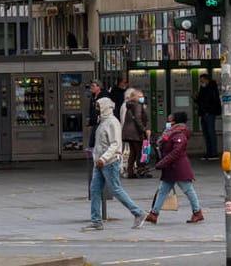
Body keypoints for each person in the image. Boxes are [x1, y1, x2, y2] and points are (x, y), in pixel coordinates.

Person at [83, 96, 146, 231]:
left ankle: (138, 212)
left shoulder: (112, 123)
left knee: (116, 189)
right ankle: (96, 221)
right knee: (94, 190)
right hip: (100, 162)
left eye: (99, 107)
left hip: (109, 162)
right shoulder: (102, 122)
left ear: (105, 107)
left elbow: (115, 144)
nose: (97, 110)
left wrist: (103, 159)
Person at [144, 111, 204, 224]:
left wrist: (162, 163)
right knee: (163, 190)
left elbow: (176, 152)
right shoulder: (170, 133)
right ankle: (154, 214)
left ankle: (197, 212)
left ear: (175, 122)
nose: (167, 122)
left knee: (188, 190)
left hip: (178, 168)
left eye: (169, 120)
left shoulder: (179, 135)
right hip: (170, 168)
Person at [121, 88, 149, 178]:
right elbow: (138, 118)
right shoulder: (137, 105)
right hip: (135, 133)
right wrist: (144, 130)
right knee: (139, 152)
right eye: (140, 96)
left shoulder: (129, 105)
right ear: (134, 97)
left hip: (128, 133)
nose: (142, 98)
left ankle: (130, 172)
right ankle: (141, 170)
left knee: (132, 153)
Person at [196, 73, 221, 160]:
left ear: (206, 80)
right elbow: (201, 100)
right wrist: (196, 98)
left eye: (202, 80)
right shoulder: (203, 88)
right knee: (206, 133)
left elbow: (213, 101)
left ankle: (213, 153)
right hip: (204, 113)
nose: (201, 82)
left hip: (209, 113)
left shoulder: (212, 88)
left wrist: (208, 110)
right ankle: (209, 152)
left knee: (210, 132)